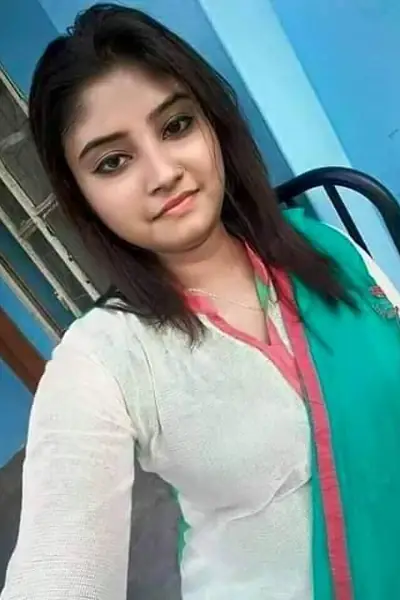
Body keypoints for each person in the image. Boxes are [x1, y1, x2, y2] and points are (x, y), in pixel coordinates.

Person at [2, 4, 400, 600]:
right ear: (81, 195)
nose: (163, 172)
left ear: (213, 125)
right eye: (113, 162)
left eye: (175, 126)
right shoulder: (105, 358)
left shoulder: (328, 250)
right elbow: (57, 572)